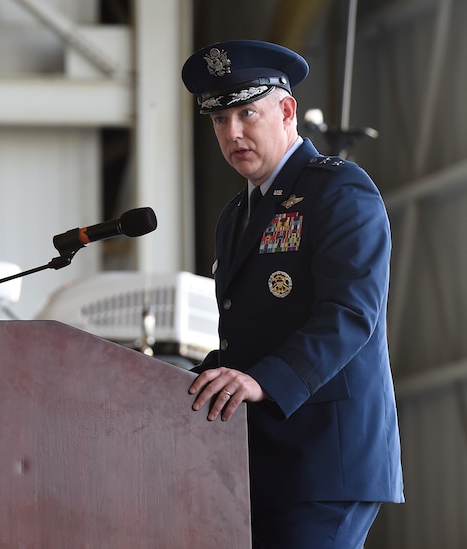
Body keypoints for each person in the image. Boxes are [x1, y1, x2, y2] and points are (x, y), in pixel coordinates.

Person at [181, 40, 404, 548]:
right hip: (262, 460)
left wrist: (263, 381)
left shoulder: (340, 190)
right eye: (219, 120)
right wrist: (169, 385)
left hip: (326, 457)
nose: (232, 132)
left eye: (246, 112)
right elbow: (247, 339)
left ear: (286, 110)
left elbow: (349, 314)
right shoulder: (236, 216)